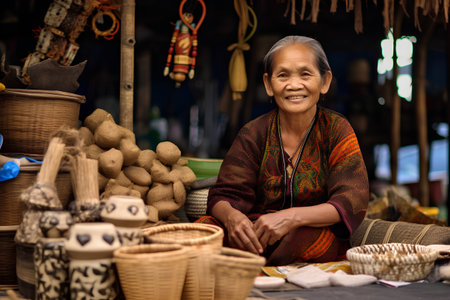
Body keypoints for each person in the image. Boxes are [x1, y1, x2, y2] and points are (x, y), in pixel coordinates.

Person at [196, 35, 369, 265]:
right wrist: (233, 219)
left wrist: (291, 218)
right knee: (204, 229)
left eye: (305, 74)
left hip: (309, 236)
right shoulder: (253, 133)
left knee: (307, 238)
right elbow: (223, 196)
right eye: (283, 75)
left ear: (325, 81)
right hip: (255, 236)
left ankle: (252, 267)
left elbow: (352, 200)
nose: (294, 85)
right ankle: (250, 266)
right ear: (268, 84)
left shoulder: (336, 130)